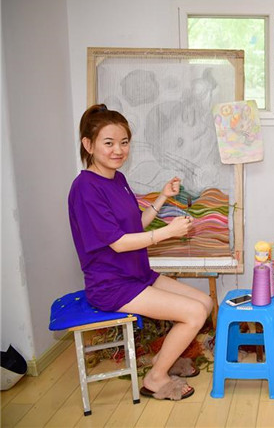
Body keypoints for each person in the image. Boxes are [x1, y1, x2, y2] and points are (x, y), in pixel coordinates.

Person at [68, 104, 213, 400]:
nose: (118, 150)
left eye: (124, 142)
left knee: (205, 302)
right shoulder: (85, 188)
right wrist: (167, 233)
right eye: (109, 143)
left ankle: (164, 361)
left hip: (136, 275)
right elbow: (119, 243)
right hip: (111, 285)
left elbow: (135, 225)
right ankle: (156, 378)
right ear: (88, 145)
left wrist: (162, 197)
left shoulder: (117, 179)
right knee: (194, 313)